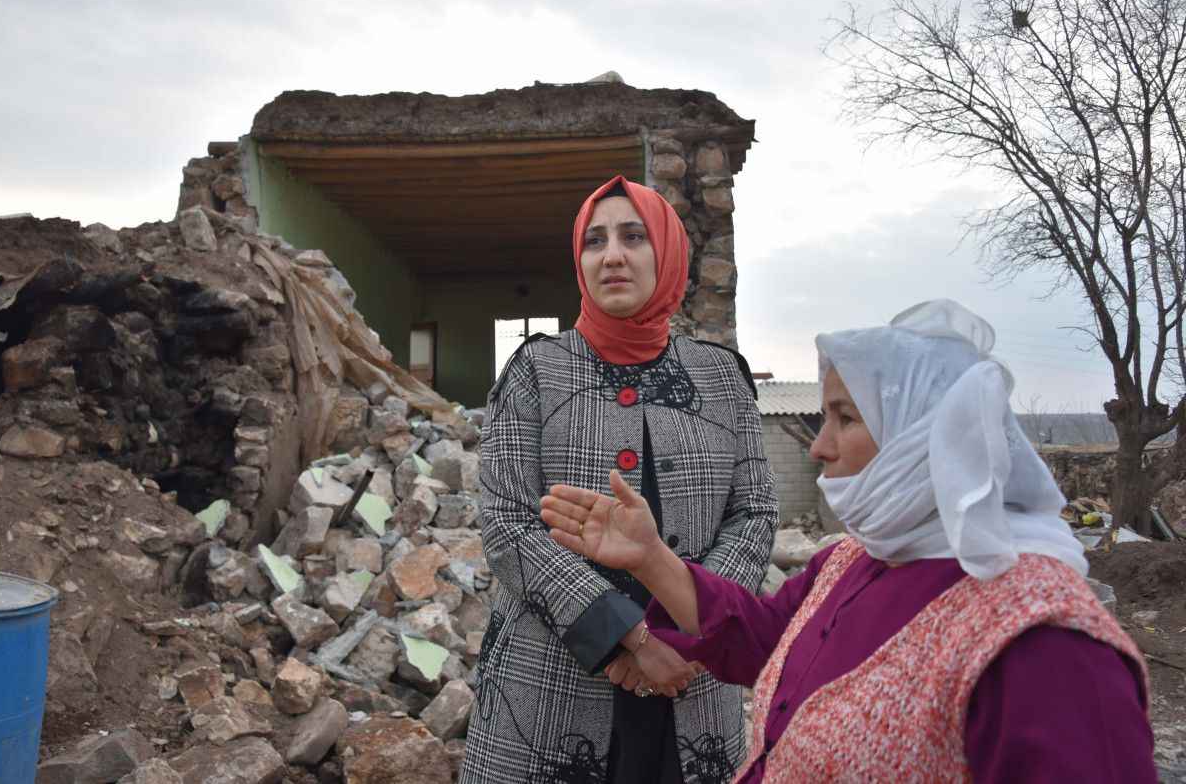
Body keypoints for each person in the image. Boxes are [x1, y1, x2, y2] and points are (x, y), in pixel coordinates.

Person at [542, 300, 1156, 782]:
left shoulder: (1046, 644)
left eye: (845, 417)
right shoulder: (854, 562)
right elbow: (761, 639)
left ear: (924, 435)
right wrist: (651, 559)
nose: (818, 445)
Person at [460, 176, 778, 784]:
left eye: (634, 237)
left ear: (667, 251)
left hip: (693, 685)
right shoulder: (537, 370)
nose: (612, 255)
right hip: (551, 684)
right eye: (594, 240)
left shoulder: (720, 377)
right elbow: (508, 522)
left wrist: (688, 633)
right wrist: (628, 637)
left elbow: (755, 513)